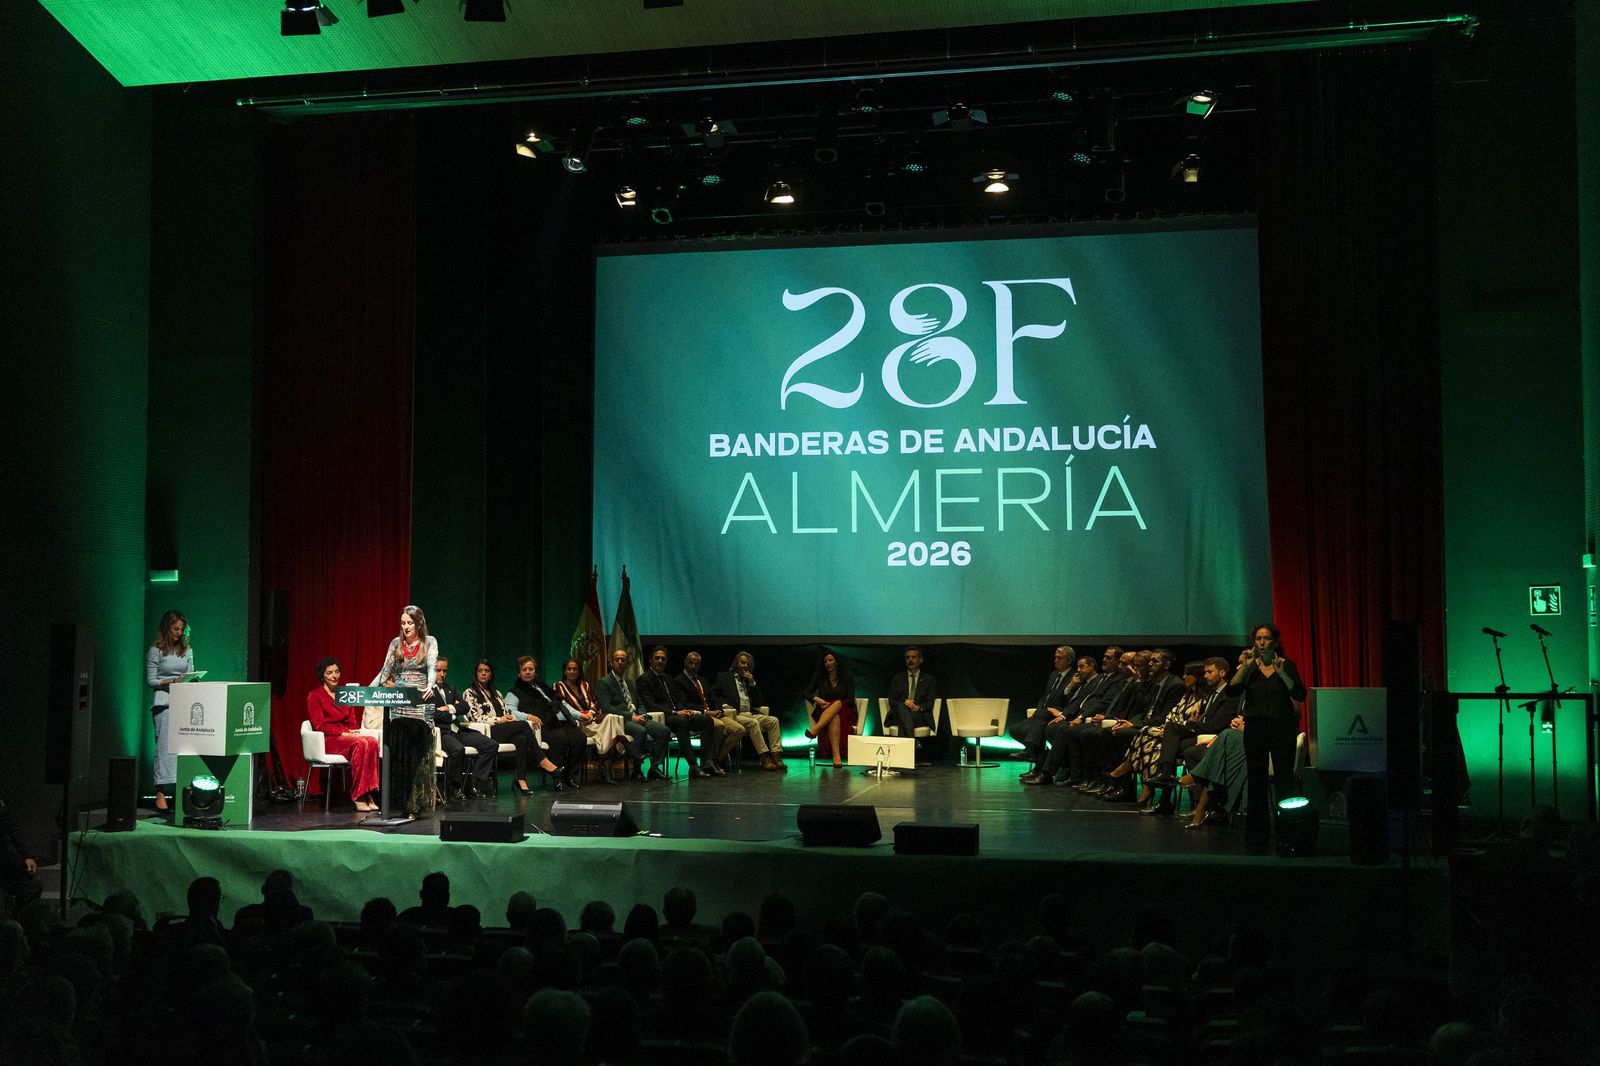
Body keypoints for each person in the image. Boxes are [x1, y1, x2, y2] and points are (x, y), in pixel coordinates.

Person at [1226, 623, 1309, 851]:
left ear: (1275, 642)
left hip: (1282, 728)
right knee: (1256, 782)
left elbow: (1300, 694)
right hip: (1255, 729)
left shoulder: (1286, 665)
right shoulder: (1250, 668)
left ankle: (1288, 834)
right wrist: (1245, 666)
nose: (1262, 643)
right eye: (1258, 639)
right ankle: (1256, 837)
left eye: (1266, 638)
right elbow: (1231, 691)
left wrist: (1281, 673)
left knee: (1284, 781)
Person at [371, 605, 441, 817]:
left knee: (416, 756)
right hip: (398, 704)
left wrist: (431, 685)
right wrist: (367, 690)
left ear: (419, 623)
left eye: (410, 623)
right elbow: (385, 672)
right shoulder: (396, 643)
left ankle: (415, 805)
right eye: (403, 623)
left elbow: (432, 667)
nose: (406, 627)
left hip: (420, 704)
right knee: (400, 754)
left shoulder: (430, 642)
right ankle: (399, 804)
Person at [462, 660, 557, 794]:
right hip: (485, 732)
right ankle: (541, 759)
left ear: (491, 674)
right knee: (523, 725)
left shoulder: (497, 693)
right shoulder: (469, 693)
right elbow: (474, 718)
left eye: (487, 671)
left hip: (503, 729)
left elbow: (508, 712)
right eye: (480, 670)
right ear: (475, 673)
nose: (483, 673)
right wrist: (499, 719)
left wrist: (509, 718)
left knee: (521, 739)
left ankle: (521, 779)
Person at [305, 657, 381, 812]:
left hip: (346, 736)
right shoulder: (315, 696)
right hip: (328, 739)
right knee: (360, 744)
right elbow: (319, 725)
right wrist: (343, 733)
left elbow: (352, 721)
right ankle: (359, 795)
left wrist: (353, 731)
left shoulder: (345, 694)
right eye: (329, 673)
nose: (334, 676)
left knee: (372, 741)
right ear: (323, 676)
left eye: (337, 672)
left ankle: (369, 792)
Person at [509, 656, 584, 790]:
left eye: (530, 669)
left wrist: (580, 715)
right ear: (518, 673)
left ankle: (570, 775)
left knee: (579, 738)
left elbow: (563, 704)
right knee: (560, 738)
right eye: (524, 669)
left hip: (557, 721)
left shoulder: (543, 687)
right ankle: (557, 778)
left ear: (535, 672)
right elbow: (510, 711)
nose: (527, 672)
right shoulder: (514, 692)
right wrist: (528, 716)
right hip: (541, 726)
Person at [144, 609, 194, 813]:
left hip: (184, 702)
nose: (179, 633)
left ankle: (182, 792)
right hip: (164, 702)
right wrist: (171, 681)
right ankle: (160, 793)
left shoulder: (186, 649)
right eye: (175, 629)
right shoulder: (155, 651)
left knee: (184, 748)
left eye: (181, 629)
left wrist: (193, 677)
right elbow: (150, 680)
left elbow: (191, 671)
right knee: (164, 747)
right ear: (167, 628)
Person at [595, 649, 671, 781]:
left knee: (664, 731)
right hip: (620, 720)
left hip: (637, 717)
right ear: (611, 663)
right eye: (617, 659)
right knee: (640, 731)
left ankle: (654, 768)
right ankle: (637, 770)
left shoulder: (629, 682)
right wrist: (631, 717)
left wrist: (641, 714)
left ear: (627, 663)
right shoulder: (604, 683)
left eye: (623, 660)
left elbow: (639, 701)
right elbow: (607, 708)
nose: (620, 662)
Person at [639, 646, 715, 778]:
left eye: (663, 659)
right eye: (657, 658)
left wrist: (685, 710)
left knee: (707, 720)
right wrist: (675, 713)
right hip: (662, 717)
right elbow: (651, 705)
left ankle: (707, 761)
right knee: (681, 722)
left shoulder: (668, 678)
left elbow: (678, 699)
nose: (660, 661)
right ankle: (693, 766)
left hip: (677, 714)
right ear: (650, 660)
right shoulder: (644, 679)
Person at [429, 656, 496, 800]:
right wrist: (452, 714)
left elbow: (465, 707)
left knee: (491, 745)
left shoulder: (450, 688)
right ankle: (455, 788)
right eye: (438, 670)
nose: (441, 674)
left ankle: (474, 785)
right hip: (442, 732)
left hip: (457, 730)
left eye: (444, 671)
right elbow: (431, 714)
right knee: (458, 750)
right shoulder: (426, 690)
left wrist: (448, 708)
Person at [555, 657, 629, 784]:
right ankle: (614, 755)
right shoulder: (559, 685)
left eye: (575, 669)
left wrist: (590, 712)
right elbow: (563, 707)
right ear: (564, 671)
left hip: (591, 719)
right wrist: (581, 715)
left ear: (579, 671)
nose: (572, 672)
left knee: (611, 718)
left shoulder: (585, 685)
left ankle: (604, 761)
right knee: (609, 727)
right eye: (569, 669)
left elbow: (594, 703)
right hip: (575, 723)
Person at [717, 651, 786, 772]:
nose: (745, 666)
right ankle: (764, 758)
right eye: (742, 663)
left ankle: (776, 756)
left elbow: (758, 702)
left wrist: (753, 683)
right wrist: (723, 705)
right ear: (736, 663)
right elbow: (713, 694)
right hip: (735, 715)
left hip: (750, 713)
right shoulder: (724, 677)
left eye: (748, 664)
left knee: (773, 720)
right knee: (753, 723)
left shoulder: (748, 680)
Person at [676, 651, 744, 774]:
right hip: (698, 716)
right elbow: (684, 705)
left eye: (696, 664)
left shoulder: (702, 680)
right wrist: (706, 712)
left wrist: (719, 708)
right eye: (690, 663)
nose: (693, 666)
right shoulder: (679, 681)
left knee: (739, 730)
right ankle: (709, 760)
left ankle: (716, 759)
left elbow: (713, 698)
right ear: (685, 663)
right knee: (719, 725)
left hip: (713, 714)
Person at [1016, 646, 1076, 781]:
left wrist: (1071, 686)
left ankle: (1033, 757)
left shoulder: (1075, 677)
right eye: (1055, 657)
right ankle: (1037, 755)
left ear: (1069, 660)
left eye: (1059, 658)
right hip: (1044, 713)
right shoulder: (1053, 675)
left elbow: (1067, 699)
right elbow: (1045, 696)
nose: (1055, 660)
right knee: (1016, 730)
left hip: (1058, 713)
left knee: (1041, 727)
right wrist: (1039, 709)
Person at [804, 650, 857, 768]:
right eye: (825, 661)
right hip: (826, 713)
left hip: (846, 711)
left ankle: (815, 730)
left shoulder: (847, 677)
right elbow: (805, 693)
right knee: (835, 717)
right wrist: (816, 699)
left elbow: (850, 699)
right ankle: (836, 757)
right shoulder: (821, 678)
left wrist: (836, 704)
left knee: (837, 703)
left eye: (830, 660)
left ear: (837, 662)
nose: (828, 663)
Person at [886, 645, 941, 754]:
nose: (910, 660)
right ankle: (913, 743)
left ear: (920, 660)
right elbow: (892, 700)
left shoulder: (929, 679)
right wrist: (904, 703)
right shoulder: (897, 678)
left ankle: (905, 752)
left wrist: (918, 708)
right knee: (903, 709)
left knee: (904, 716)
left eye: (913, 657)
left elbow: (930, 702)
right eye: (907, 657)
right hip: (899, 713)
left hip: (919, 715)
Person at [0, 790, 41, 909]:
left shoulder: (3, 812)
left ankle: (20, 922)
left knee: (32, 886)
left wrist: (28, 856)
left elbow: (14, 829)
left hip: (4, 864)